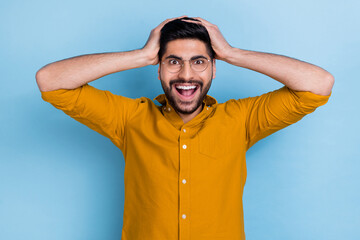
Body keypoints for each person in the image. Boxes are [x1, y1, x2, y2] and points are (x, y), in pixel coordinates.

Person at [36, 16, 334, 240]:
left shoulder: (242, 119)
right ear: (159, 69)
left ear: (214, 69)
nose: (186, 74)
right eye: (173, 62)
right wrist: (139, 55)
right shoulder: (129, 119)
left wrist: (232, 53)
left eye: (199, 62)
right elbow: (50, 81)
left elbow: (318, 85)